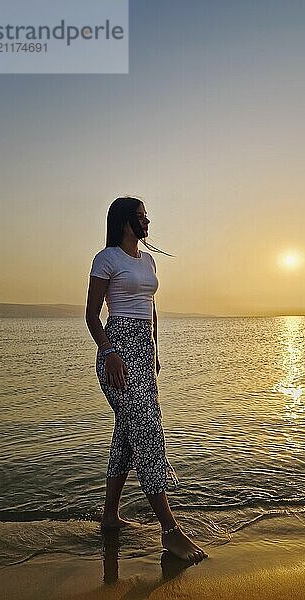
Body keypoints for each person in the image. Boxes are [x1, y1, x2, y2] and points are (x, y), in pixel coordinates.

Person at [85, 196, 208, 563]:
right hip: (117, 353)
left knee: (127, 435)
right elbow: (92, 315)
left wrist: (154, 351)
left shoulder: (148, 260)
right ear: (124, 221)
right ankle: (170, 531)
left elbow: (150, 307)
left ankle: (110, 517)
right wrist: (110, 353)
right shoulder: (106, 259)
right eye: (140, 217)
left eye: (146, 216)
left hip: (143, 352)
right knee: (148, 434)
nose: (146, 221)